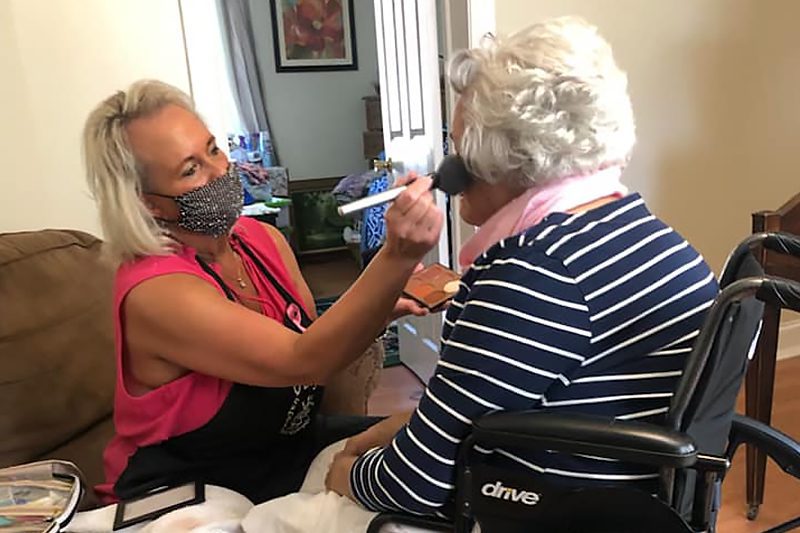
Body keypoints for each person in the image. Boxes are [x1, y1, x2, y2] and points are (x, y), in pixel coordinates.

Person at [325, 17, 719, 518]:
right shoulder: (643, 233)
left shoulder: (534, 275)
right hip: (633, 498)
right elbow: (480, 403)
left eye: (456, 146)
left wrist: (343, 475)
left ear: (492, 160)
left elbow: (412, 486)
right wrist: (408, 424)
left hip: (551, 510)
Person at [82, 80, 443, 504]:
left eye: (213, 149)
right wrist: (396, 256)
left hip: (285, 455)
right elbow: (304, 360)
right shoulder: (158, 291)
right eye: (190, 169)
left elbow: (308, 336)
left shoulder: (258, 238)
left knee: (431, 451)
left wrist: (380, 310)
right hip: (189, 490)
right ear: (149, 204)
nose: (221, 171)